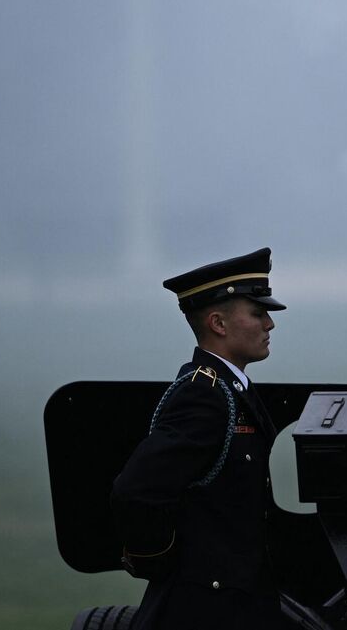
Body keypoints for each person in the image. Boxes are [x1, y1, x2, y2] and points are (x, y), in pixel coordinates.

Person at [111, 247, 287, 630]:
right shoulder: (204, 395)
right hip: (205, 610)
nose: (269, 324)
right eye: (257, 313)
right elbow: (136, 490)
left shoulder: (231, 388)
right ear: (218, 324)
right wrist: (167, 564)